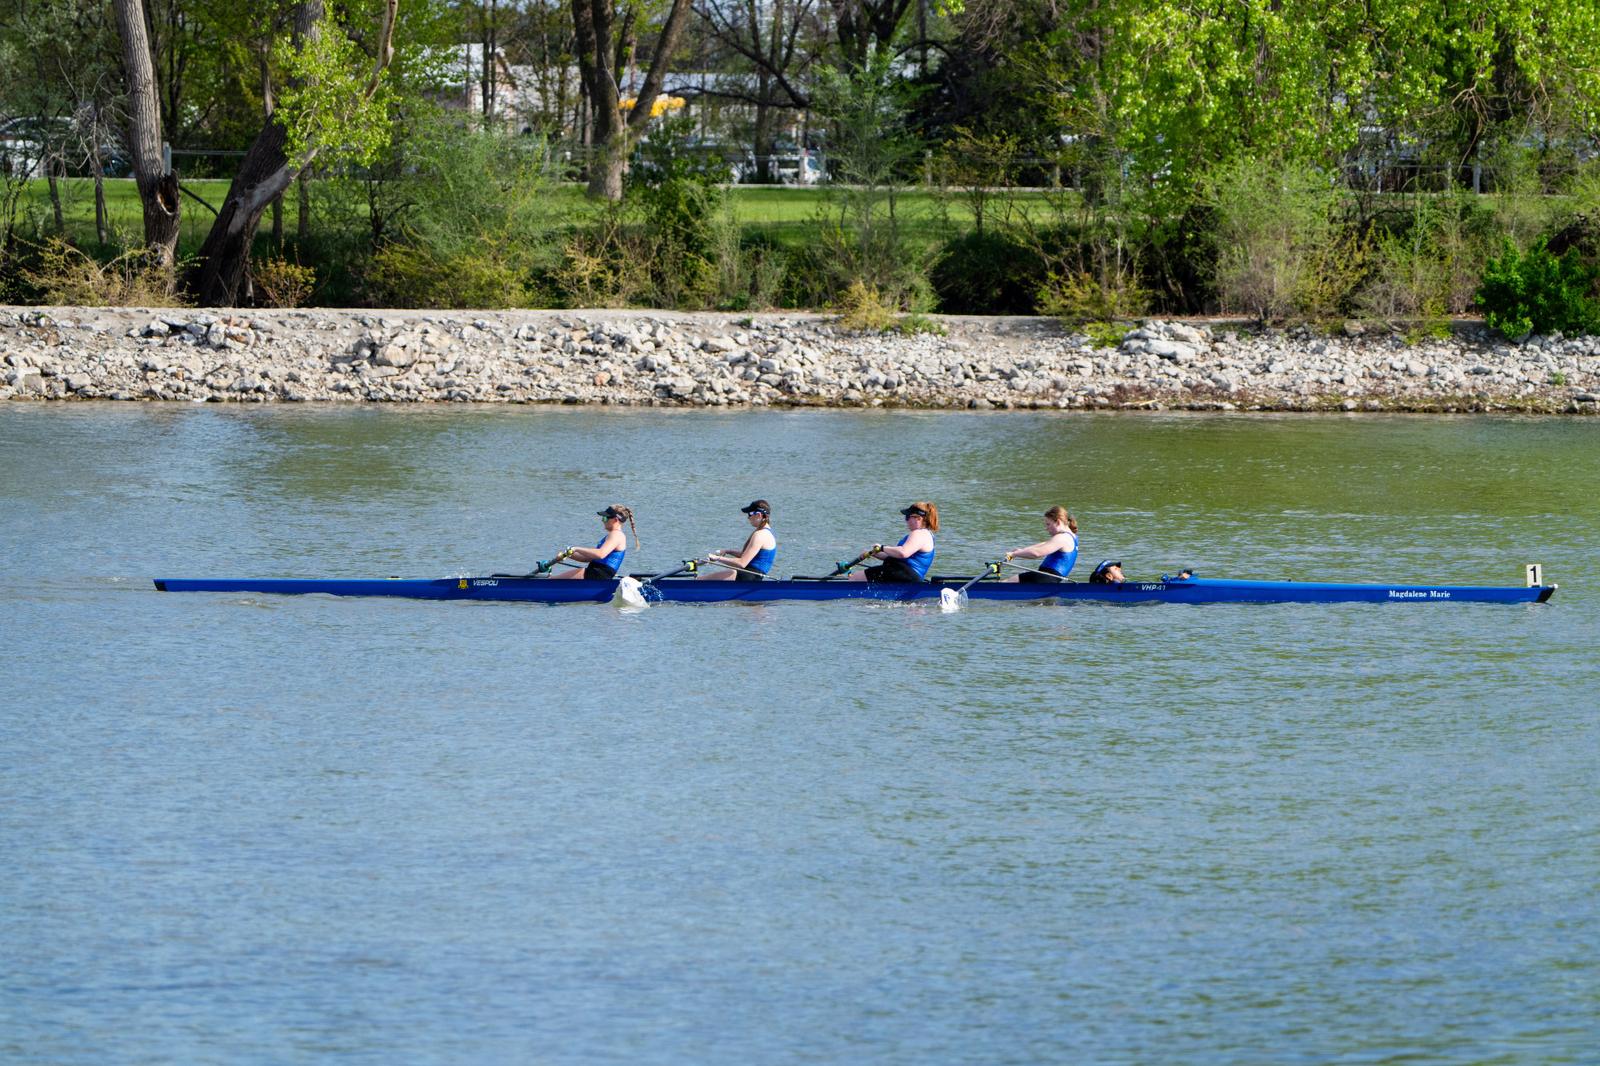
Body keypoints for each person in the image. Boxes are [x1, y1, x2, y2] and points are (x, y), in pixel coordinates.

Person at [850, 502, 938, 583]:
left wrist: (882, 548)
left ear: (918, 518)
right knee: (862, 577)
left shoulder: (919, 534)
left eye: (908, 517)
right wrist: (874, 553)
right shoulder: (925, 534)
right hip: (905, 574)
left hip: (905, 573)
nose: (906, 520)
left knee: (856, 578)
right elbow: (895, 556)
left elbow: (903, 553)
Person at [551, 505, 637, 579]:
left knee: (553, 580)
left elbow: (600, 554)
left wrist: (576, 548)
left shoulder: (616, 535)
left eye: (605, 518)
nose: (603, 520)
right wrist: (568, 555)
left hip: (599, 574)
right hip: (595, 572)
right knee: (554, 579)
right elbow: (587, 558)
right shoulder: (612, 535)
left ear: (615, 520)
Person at [701, 500, 777, 581]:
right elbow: (746, 555)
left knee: (699, 580)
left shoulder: (760, 535)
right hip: (753, 578)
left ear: (758, 515)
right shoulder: (768, 533)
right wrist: (727, 551)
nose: (748, 517)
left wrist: (717, 558)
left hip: (746, 577)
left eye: (750, 514)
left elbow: (742, 563)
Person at [1003, 506, 1078, 582]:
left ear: (1058, 522)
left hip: (1045, 577)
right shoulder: (1072, 536)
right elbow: (1044, 544)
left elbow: (1037, 553)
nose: (1046, 528)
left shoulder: (1062, 537)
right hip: (1050, 579)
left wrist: (1014, 554)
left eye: (1048, 524)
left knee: (1005, 583)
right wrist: (1021, 551)